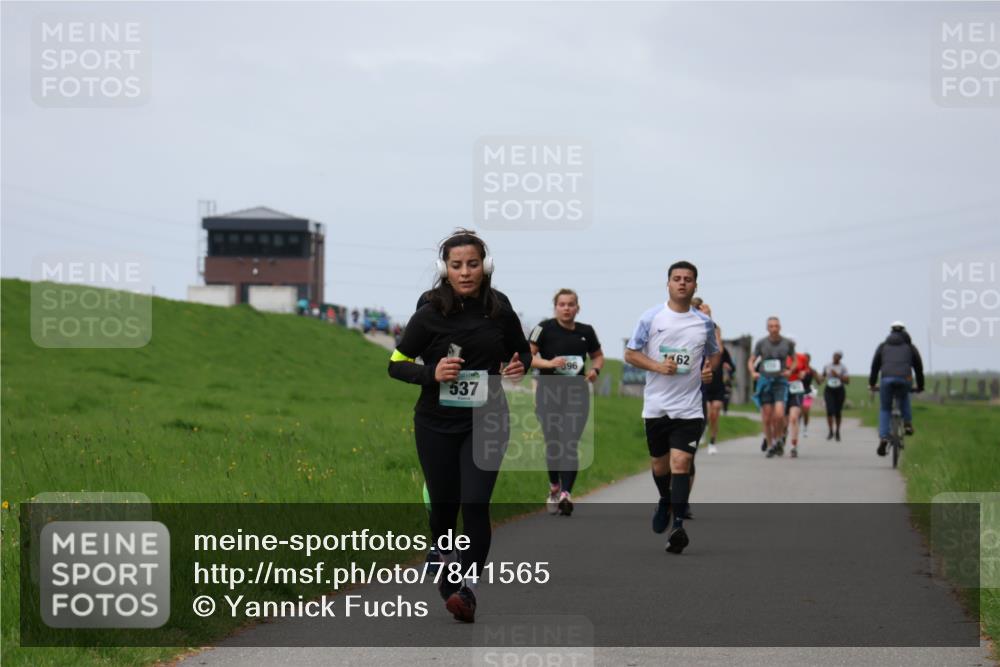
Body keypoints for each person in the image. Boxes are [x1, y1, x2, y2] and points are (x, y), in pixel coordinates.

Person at [387, 229, 531, 622]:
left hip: (488, 420)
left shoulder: (500, 310)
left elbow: (521, 351)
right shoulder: (429, 313)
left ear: (485, 266)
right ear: (444, 269)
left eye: (472, 264)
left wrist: (519, 365)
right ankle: (445, 556)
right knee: (444, 509)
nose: (465, 272)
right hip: (436, 423)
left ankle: (468, 590)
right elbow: (396, 364)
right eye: (456, 265)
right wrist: (431, 373)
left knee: (476, 504)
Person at [624, 261, 720, 555]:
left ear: (695, 285)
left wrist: (708, 370)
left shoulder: (703, 323)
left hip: (689, 409)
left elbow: (713, 354)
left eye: (687, 279)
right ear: (667, 283)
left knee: (681, 463)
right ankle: (664, 500)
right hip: (656, 406)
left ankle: (678, 526)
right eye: (676, 278)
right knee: (660, 466)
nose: (682, 283)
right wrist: (657, 366)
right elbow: (630, 353)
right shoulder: (651, 317)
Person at [529, 289, 604, 517]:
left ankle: (566, 494)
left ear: (577, 308)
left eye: (571, 304)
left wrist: (595, 370)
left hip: (576, 395)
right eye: (562, 304)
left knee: (570, 443)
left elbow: (598, 355)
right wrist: (549, 364)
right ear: (555, 307)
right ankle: (554, 486)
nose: (566, 308)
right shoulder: (543, 328)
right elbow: (527, 356)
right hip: (549, 394)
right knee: (553, 443)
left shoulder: (586, 331)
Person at [868, 321, 925, 456]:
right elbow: (918, 368)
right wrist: (920, 386)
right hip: (905, 379)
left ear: (891, 332)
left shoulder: (883, 346)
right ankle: (907, 423)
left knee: (885, 408)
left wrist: (872, 383)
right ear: (904, 331)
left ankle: (884, 437)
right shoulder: (910, 347)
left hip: (886, 380)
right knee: (904, 395)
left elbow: (875, 366)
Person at [748, 317, 795, 458]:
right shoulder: (761, 343)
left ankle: (779, 438)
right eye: (771, 326)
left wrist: (790, 371)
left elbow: (794, 360)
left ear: (780, 327)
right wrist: (753, 372)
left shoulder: (787, 343)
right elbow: (751, 360)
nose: (774, 329)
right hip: (765, 381)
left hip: (780, 381)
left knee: (779, 414)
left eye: (776, 326)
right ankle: (770, 445)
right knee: (767, 417)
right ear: (767, 328)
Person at [785, 350, 810, 457]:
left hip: (797, 389)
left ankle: (793, 446)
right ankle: (781, 438)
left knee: (794, 417)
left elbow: (806, 370)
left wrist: (803, 373)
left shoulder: (801, 357)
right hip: (781, 388)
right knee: (782, 420)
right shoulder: (779, 355)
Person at [822, 351, 849, 441]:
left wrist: (837, 375)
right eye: (834, 356)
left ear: (840, 358)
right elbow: (822, 376)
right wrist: (819, 378)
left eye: (837, 357)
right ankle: (830, 431)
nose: (835, 358)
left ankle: (837, 431)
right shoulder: (827, 366)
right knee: (829, 410)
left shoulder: (843, 367)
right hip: (829, 390)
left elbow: (847, 381)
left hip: (839, 390)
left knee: (838, 411)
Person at [799, 353, 820, 437]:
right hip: (798, 392)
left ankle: (805, 429)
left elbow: (818, 382)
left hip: (807, 393)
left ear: (809, 360)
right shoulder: (798, 369)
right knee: (798, 412)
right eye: (803, 358)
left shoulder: (812, 370)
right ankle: (797, 427)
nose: (805, 360)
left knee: (806, 412)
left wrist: (819, 376)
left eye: (806, 358)